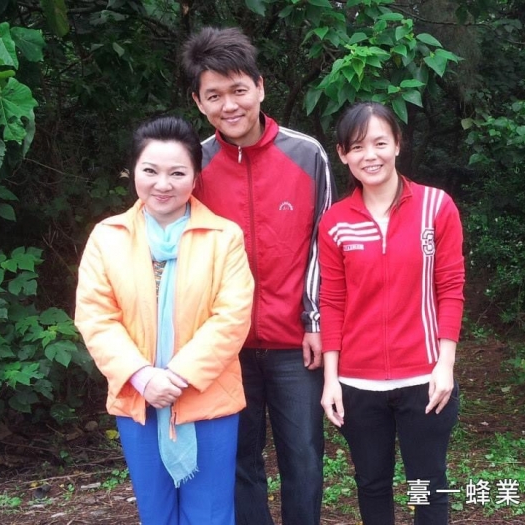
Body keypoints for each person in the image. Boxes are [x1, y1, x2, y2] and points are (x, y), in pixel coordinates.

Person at [180, 26, 336, 525]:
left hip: (295, 342)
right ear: (198, 102)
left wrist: (315, 320)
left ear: (260, 87)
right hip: (224, 345)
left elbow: (324, 245)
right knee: (237, 460)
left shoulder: (306, 154)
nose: (230, 105)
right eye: (214, 95)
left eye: (239, 90)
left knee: (304, 458)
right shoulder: (193, 165)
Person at [75, 115, 254, 525]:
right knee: (155, 513)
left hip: (207, 398)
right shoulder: (108, 237)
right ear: (133, 171)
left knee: (211, 515)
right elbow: (96, 316)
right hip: (138, 399)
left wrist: (176, 377)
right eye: (150, 171)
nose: (163, 184)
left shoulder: (224, 237)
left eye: (177, 173)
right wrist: (143, 377)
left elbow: (231, 317)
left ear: (195, 176)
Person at [318, 102, 465, 525]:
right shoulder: (335, 223)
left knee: (428, 487)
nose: (370, 155)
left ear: (398, 144)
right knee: (372, 485)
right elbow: (332, 302)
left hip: (425, 380)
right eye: (357, 146)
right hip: (358, 384)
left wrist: (445, 365)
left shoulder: (436, 207)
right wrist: (331, 380)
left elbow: (450, 289)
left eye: (380, 143)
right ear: (343, 154)